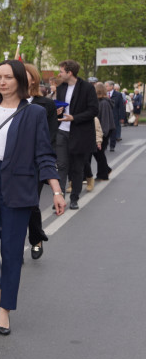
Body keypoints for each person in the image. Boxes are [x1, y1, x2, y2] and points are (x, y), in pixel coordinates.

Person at [0, 60, 65, 335]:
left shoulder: (34, 113)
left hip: (18, 183)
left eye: (8, 77)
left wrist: (56, 190)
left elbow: (44, 154)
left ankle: (5, 308)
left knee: (12, 251)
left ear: (20, 80)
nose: (3, 82)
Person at [25, 63, 59, 260]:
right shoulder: (5, 103)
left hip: (35, 163)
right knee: (10, 205)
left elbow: (50, 136)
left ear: (34, 79)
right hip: (9, 163)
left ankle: (36, 238)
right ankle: (13, 246)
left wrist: (47, 164)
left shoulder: (45, 104)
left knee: (30, 203)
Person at [54, 60, 98, 210]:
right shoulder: (61, 88)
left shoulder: (87, 88)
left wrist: (74, 118)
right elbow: (59, 106)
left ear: (69, 73)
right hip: (62, 131)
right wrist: (57, 111)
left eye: (61, 71)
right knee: (61, 166)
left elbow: (93, 110)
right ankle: (59, 198)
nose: (59, 74)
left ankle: (74, 199)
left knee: (77, 168)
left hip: (80, 133)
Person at [89, 81, 114, 185]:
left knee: (99, 153)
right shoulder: (101, 102)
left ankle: (103, 174)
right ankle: (105, 170)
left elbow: (104, 120)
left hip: (104, 131)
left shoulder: (103, 103)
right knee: (99, 153)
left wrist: (102, 134)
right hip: (103, 130)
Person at [106, 81, 124, 150]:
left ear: (111, 87)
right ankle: (105, 145)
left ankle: (112, 146)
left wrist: (122, 117)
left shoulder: (118, 94)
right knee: (105, 131)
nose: (106, 87)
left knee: (113, 131)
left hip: (114, 115)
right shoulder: (104, 94)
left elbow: (121, 107)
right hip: (106, 115)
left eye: (107, 86)